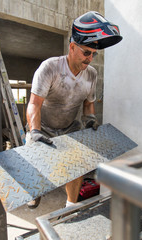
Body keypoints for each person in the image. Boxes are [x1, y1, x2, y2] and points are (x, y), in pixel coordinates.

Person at [25, 11, 122, 209]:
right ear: (72, 47)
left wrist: (91, 119)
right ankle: (34, 192)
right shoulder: (50, 68)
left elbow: (88, 102)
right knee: (34, 165)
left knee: (78, 165)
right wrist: (34, 131)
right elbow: (34, 103)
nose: (90, 59)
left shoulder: (92, 74)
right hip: (43, 127)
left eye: (94, 54)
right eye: (86, 52)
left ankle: (71, 206)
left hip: (70, 127)